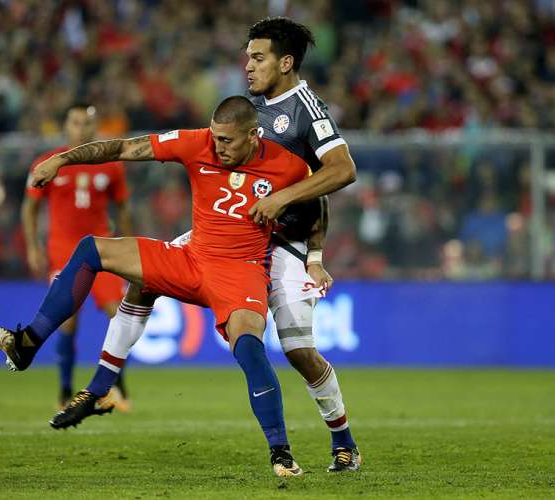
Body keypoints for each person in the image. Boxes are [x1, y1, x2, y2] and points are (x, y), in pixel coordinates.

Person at [57, 17, 363, 472]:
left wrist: (309, 245)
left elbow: (339, 172)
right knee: (142, 280)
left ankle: (343, 441)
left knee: (299, 351)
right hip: (227, 238)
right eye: (247, 57)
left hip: (285, 245)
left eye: (257, 58)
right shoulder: (251, 109)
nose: (248, 66)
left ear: (286, 62)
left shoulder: (307, 111)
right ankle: (101, 385)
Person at [0, 96, 309, 477]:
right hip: (190, 258)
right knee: (92, 249)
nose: (217, 146)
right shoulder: (198, 142)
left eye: (227, 140)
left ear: (253, 136)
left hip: (240, 272)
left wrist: (314, 256)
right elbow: (124, 147)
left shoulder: (289, 166)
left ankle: (281, 453)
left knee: (249, 348)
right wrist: (62, 158)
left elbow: (322, 199)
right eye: (215, 137)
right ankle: (29, 345)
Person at [21, 103, 133, 410]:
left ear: (95, 128)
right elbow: (29, 207)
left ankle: (116, 390)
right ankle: (65, 392)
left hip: (103, 250)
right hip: (63, 251)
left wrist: (129, 247)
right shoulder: (48, 162)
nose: (80, 128)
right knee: (68, 323)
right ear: (65, 126)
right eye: (75, 122)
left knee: (119, 315)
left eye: (87, 123)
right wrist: (32, 246)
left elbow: (123, 209)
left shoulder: (110, 164)